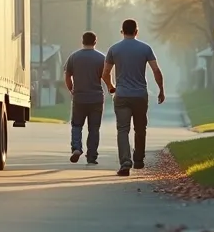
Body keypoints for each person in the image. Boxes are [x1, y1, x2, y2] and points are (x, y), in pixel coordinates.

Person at [102, 18, 165, 177]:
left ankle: (125, 162)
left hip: (122, 94)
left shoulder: (114, 49)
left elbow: (105, 73)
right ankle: (138, 159)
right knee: (140, 128)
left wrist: (111, 87)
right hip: (140, 95)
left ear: (122, 31)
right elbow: (156, 71)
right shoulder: (145, 48)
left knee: (122, 129)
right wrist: (161, 89)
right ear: (136, 31)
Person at [63, 31, 112, 165]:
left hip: (79, 97)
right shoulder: (101, 58)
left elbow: (67, 76)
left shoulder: (73, 57)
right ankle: (92, 156)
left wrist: (72, 89)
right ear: (95, 42)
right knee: (94, 128)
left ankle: (77, 148)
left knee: (77, 125)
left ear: (82, 41)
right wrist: (110, 87)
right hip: (96, 98)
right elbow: (106, 76)